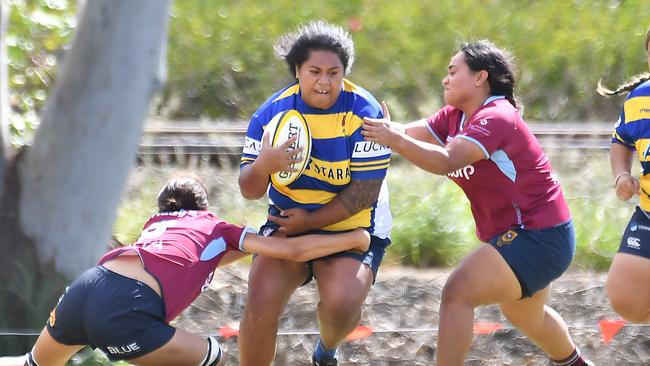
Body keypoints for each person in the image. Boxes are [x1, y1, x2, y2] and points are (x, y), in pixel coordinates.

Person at [361, 40, 594, 366]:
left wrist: (394, 138)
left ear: (480, 77)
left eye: (453, 71)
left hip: (539, 236)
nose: (445, 79)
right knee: (527, 316)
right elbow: (404, 132)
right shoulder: (455, 116)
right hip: (529, 236)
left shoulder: (497, 115)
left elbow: (445, 161)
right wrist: (366, 128)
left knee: (458, 292)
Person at [18, 173, 370, 366]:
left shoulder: (155, 224)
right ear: (204, 206)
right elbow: (292, 250)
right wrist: (354, 237)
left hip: (88, 286)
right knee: (210, 355)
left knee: (33, 365)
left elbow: (198, 260)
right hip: (127, 306)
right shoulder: (214, 226)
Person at [238, 20, 391, 366]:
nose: (324, 82)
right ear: (297, 70)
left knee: (343, 302)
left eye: (334, 73)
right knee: (260, 301)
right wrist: (263, 165)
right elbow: (249, 190)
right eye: (315, 71)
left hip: (349, 231)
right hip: (287, 225)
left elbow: (363, 194)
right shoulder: (270, 114)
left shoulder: (364, 114)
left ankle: (327, 349)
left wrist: (310, 220)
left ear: (344, 73)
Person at [597, 25, 650, 323]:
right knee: (626, 297)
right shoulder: (640, 98)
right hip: (648, 211)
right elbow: (621, 141)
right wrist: (621, 176)